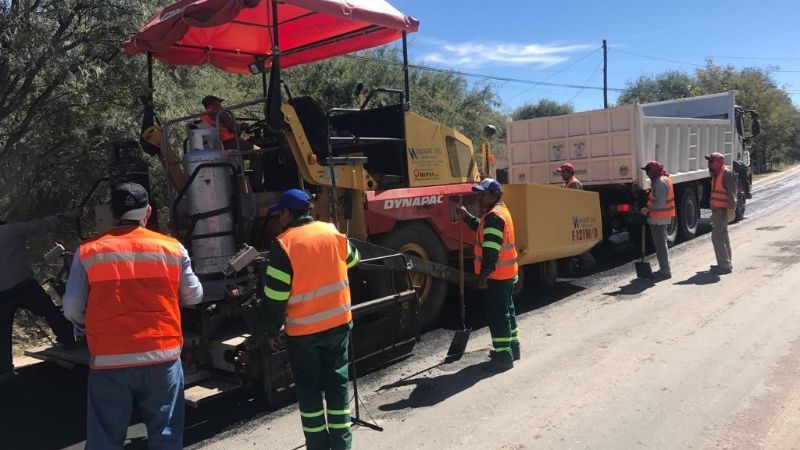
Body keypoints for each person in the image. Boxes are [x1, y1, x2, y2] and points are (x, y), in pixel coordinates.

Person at [62, 182, 203, 449]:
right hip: (162, 355)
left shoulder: (89, 251)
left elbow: (71, 308)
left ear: (113, 213)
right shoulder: (172, 248)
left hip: (109, 359)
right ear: (148, 211)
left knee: (105, 438)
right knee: (166, 436)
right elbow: (194, 295)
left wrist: (87, 324)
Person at [263, 189, 360, 450]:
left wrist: (271, 331)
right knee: (338, 385)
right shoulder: (331, 231)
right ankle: (341, 444)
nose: (278, 219)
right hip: (339, 324)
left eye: (279, 213)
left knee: (309, 389)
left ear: (287, 213)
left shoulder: (283, 244)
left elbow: (275, 297)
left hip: (304, 333)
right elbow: (353, 259)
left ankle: (318, 445)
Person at [0, 208, 80, 382]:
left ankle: (4, 370)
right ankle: (67, 341)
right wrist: (68, 215)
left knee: (3, 331)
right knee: (49, 310)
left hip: (2, 293)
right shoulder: (14, 230)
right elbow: (43, 224)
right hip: (23, 285)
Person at [458, 178, 519, 372]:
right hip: (508, 274)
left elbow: (491, 253)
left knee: (498, 315)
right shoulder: (499, 212)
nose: (479, 196)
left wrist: (483, 277)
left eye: (483, 193)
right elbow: (482, 229)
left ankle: (503, 357)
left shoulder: (493, 216)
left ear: (494, 194)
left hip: (497, 277)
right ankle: (513, 348)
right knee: (507, 311)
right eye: (479, 193)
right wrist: (467, 217)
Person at [638, 161, 674, 279]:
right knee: (660, 245)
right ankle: (664, 269)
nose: (647, 174)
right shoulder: (662, 180)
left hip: (659, 218)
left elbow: (660, 204)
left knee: (660, 245)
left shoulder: (660, 183)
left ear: (652, 171)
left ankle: (665, 271)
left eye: (647, 171)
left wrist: (647, 209)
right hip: (659, 218)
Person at [556, 162, 596, 270]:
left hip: (574, 217)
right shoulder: (569, 183)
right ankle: (576, 262)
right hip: (571, 216)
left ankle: (588, 261)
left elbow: (574, 201)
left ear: (569, 172)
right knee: (573, 240)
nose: (561, 174)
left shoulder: (574, 183)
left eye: (563, 172)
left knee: (576, 240)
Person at [705, 152, 737, 274]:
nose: (709, 164)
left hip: (723, 210)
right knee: (723, 236)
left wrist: (731, 210)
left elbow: (732, 193)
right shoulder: (716, 174)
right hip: (717, 210)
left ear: (717, 162)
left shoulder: (726, 174)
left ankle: (724, 266)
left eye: (711, 161)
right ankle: (726, 262)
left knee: (717, 237)